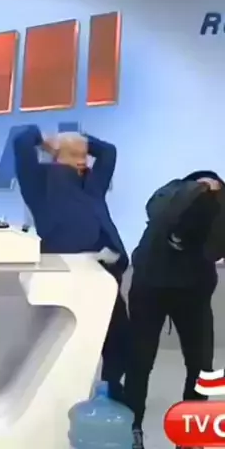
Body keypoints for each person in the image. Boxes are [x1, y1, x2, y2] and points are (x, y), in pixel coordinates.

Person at [13, 125, 129, 401]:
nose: (82, 161)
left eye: (84, 155)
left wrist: (84, 142)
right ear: (56, 155)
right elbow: (21, 142)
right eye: (74, 155)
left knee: (119, 337)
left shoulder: (93, 182)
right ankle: (57, 397)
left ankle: (111, 389)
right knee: (66, 339)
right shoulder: (39, 182)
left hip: (103, 271)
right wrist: (45, 140)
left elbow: (108, 152)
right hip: (65, 273)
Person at [124, 171, 224, 449]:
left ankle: (190, 435)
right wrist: (196, 189)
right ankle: (132, 429)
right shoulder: (169, 198)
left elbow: (216, 249)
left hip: (192, 292)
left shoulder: (218, 211)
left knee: (201, 366)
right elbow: (158, 213)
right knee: (140, 362)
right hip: (150, 287)